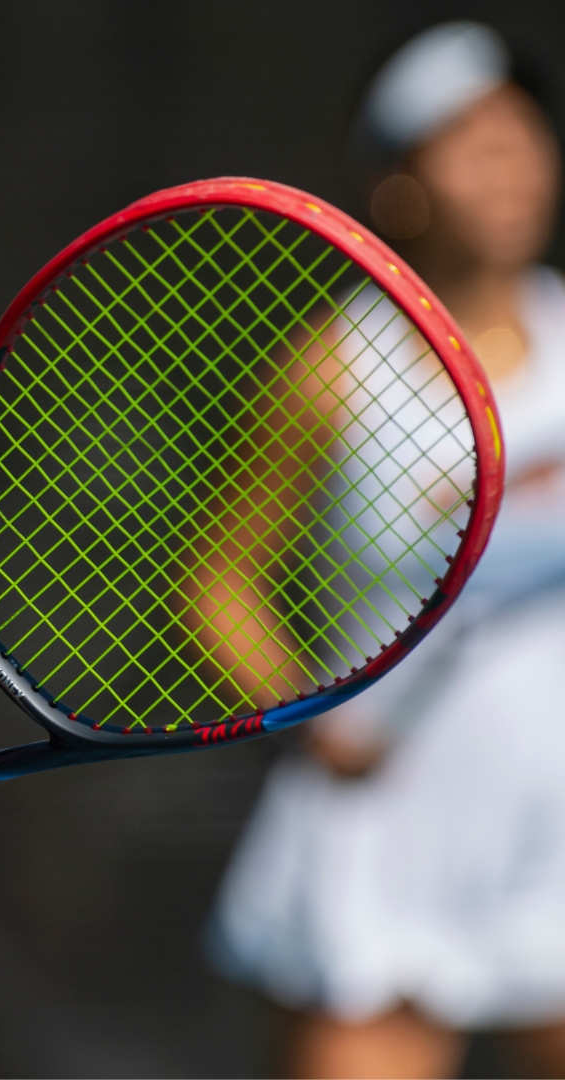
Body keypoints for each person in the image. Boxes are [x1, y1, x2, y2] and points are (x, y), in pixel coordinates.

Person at [208, 21, 565, 1080]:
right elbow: (222, 579)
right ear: (400, 187)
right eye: (466, 140)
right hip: (384, 827)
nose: (507, 161)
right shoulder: (334, 366)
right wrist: (306, 714)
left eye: (522, 133)